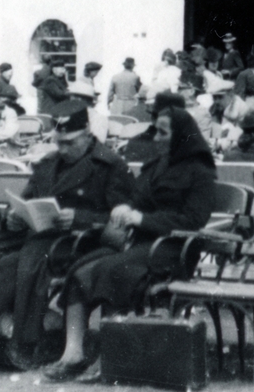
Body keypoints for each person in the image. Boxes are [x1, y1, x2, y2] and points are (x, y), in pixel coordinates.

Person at [0, 99, 134, 373]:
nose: (63, 148)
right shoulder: (49, 163)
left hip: (80, 244)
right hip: (38, 238)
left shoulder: (110, 165)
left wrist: (81, 219)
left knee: (9, 266)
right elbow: (28, 198)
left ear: (88, 134)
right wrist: (15, 217)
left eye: (70, 142)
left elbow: (120, 221)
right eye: (59, 141)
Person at [43, 105, 216, 380]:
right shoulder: (157, 165)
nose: (156, 138)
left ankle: (108, 357)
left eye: (162, 132)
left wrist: (141, 219)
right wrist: (125, 209)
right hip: (142, 244)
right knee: (80, 272)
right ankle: (72, 353)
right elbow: (139, 199)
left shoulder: (201, 171)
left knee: (114, 271)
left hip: (175, 248)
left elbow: (193, 221)